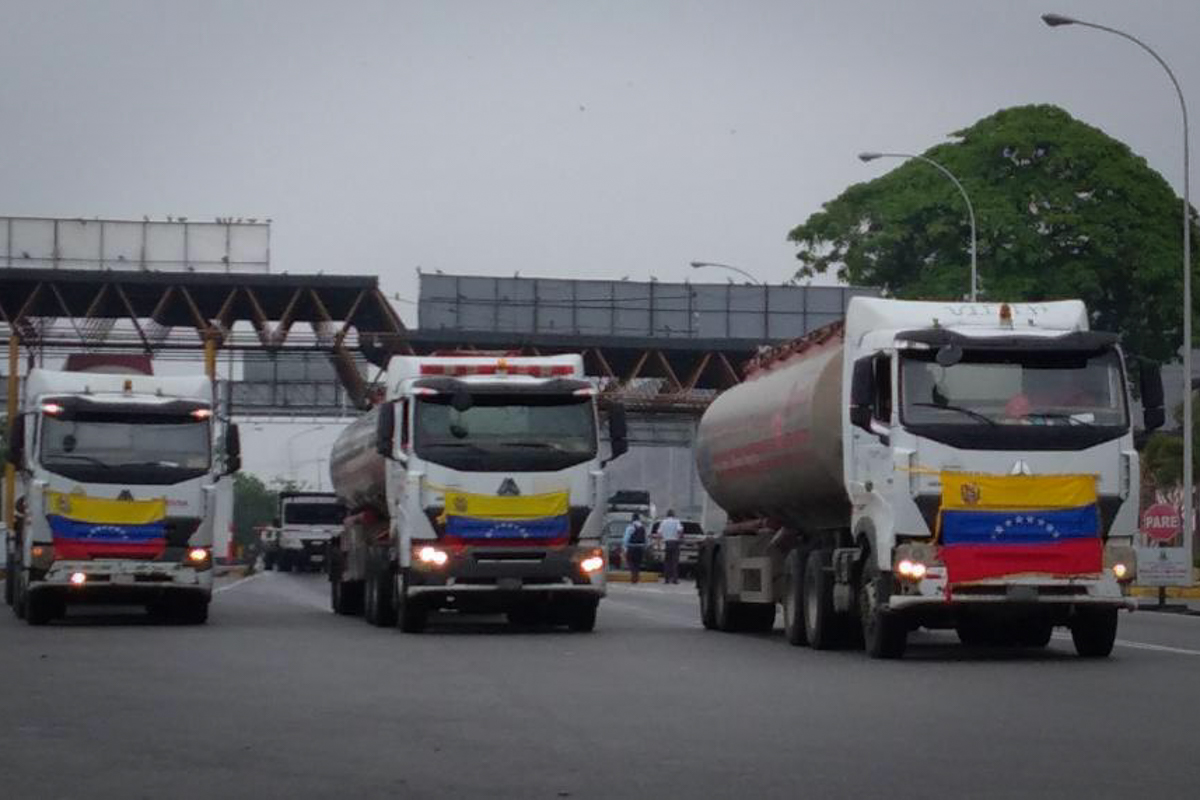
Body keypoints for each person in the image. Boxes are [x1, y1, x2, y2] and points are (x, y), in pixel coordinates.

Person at [656, 509, 684, 584]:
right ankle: (675, 579)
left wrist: (658, 544)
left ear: (667, 515)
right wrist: (680, 538)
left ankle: (666, 579)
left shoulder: (663, 522)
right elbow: (679, 530)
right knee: (674, 562)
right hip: (675, 542)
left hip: (666, 543)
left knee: (667, 562)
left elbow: (659, 533)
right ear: (673, 515)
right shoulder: (676, 521)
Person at [623, 513, 647, 584]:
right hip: (640, 547)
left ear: (632, 519)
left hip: (631, 547)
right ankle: (636, 576)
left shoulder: (630, 527)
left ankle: (633, 576)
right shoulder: (643, 527)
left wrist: (625, 546)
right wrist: (644, 546)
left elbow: (626, 538)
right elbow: (645, 539)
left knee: (630, 562)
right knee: (637, 563)